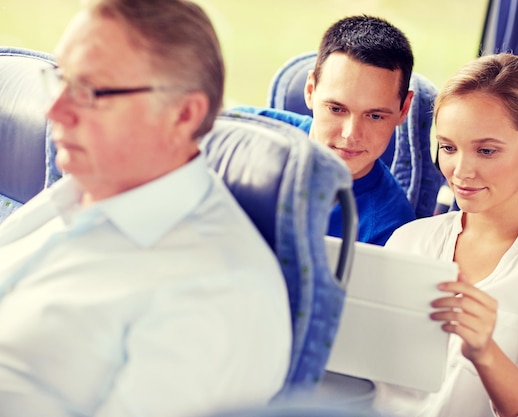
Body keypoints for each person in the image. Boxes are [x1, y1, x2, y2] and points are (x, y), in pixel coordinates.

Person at [0, 1, 292, 416]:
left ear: (183, 114)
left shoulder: (218, 294)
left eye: (90, 91)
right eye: (61, 79)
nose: (54, 110)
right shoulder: (74, 193)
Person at [373, 54, 518, 417]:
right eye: (448, 147)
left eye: (486, 150)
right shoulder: (409, 241)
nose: (461, 171)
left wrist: (485, 352)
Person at [234, 15, 416, 246]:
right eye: (337, 109)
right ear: (310, 90)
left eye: (375, 116)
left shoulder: (391, 230)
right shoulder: (240, 133)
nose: (351, 134)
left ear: (404, 108)